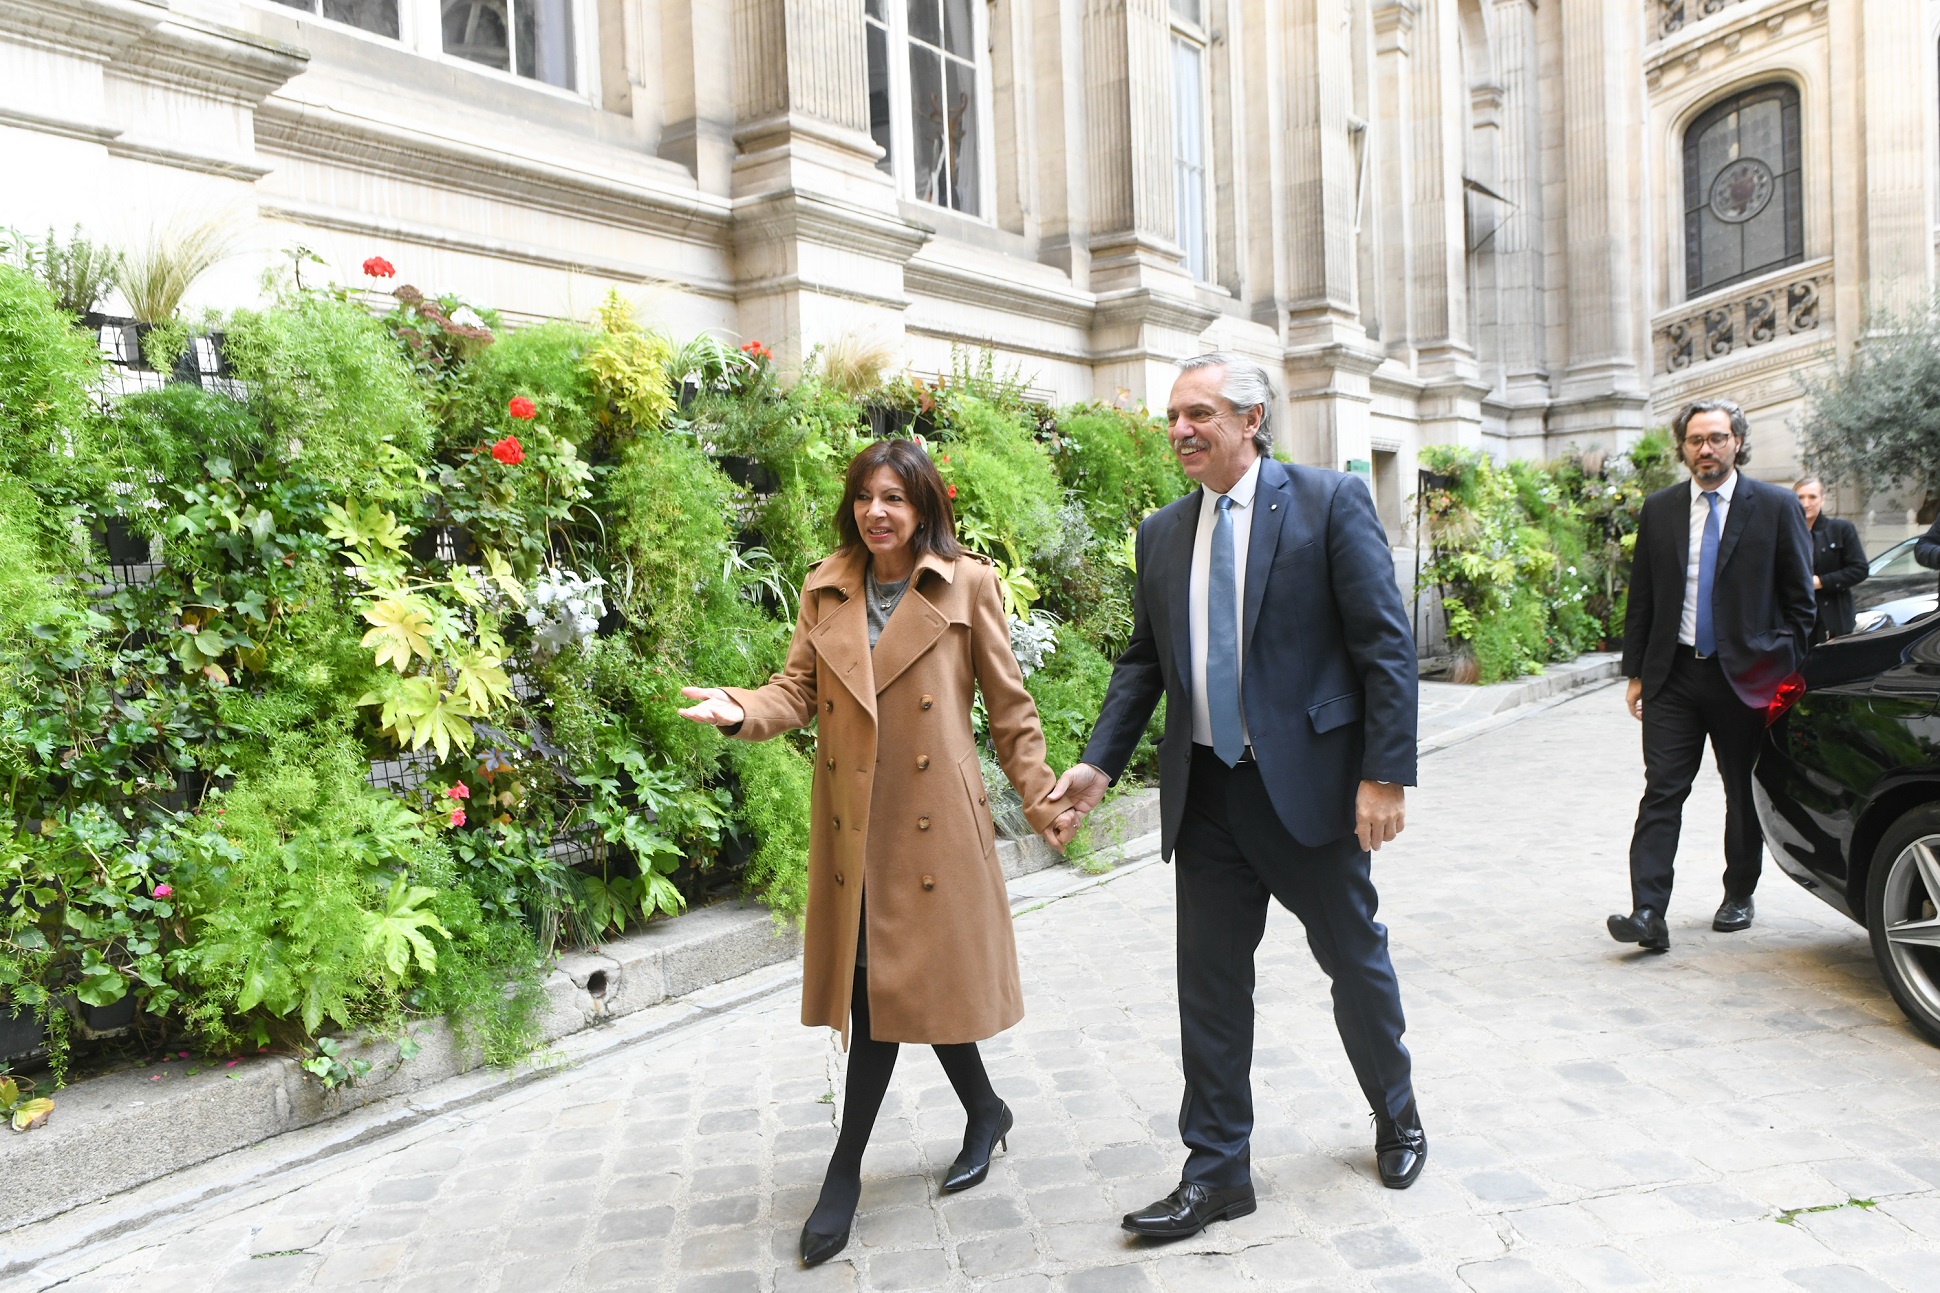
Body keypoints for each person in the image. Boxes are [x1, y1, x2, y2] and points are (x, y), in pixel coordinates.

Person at [1044, 353, 1424, 1241]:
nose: (1180, 428)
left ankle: (1397, 1111)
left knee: (1354, 962)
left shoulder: (1328, 502)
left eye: (1200, 413)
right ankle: (1217, 1171)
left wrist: (1384, 773)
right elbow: (1145, 661)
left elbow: (1385, 645)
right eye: (1174, 414)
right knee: (1210, 987)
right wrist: (1100, 764)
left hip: (1311, 792)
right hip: (1207, 791)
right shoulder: (1163, 531)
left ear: (1251, 419)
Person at [677, 439, 1066, 1268]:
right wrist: (738, 707)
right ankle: (987, 1109)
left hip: (936, 823)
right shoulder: (827, 584)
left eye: (893, 496)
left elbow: (1009, 705)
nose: (876, 511)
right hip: (859, 821)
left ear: (923, 504)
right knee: (883, 984)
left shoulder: (967, 583)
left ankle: (842, 1173)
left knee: (895, 984)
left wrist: (1040, 798)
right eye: (864, 496)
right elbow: (798, 693)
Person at [1609, 400, 1815, 951]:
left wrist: (1776, 667)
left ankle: (1739, 893)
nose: (1707, 448)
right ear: (1683, 447)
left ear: (1737, 443)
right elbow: (1644, 598)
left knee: (1740, 792)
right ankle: (1648, 911)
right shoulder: (1661, 508)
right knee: (1662, 792)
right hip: (1674, 676)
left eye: (1718, 438)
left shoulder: (1773, 506)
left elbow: (1801, 608)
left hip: (1745, 680)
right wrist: (1636, 674)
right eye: (1696, 439)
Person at [1792, 475, 1867, 643]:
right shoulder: (1786, 533)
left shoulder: (1841, 529)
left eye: (1812, 497)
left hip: (1833, 622)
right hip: (1796, 622)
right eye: (1800, 497)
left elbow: (1859, 569)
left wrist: (1820, 582)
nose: (1806, 503)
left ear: (1822, 499)